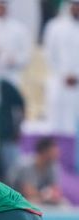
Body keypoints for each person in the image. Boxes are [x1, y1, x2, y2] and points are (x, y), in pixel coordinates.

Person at [43, 0, 79, 135]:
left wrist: (76, 75)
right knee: (56, 118)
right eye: (74, 5)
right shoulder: (55, 26)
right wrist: (63, 75)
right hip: (58, 80)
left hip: (77, 82)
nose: (76, 8)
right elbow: (49, 54)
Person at [11, 137, 65, 206]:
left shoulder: (53, 165)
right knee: (33, 203)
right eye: (53, 153)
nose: (57, 155)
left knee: (63, 204)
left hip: (39, 199)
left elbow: (56, 191)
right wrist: (47, 194)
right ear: (44, 152)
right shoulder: (26, 165)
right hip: (17, 200)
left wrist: (50, 195)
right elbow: (29, 193)